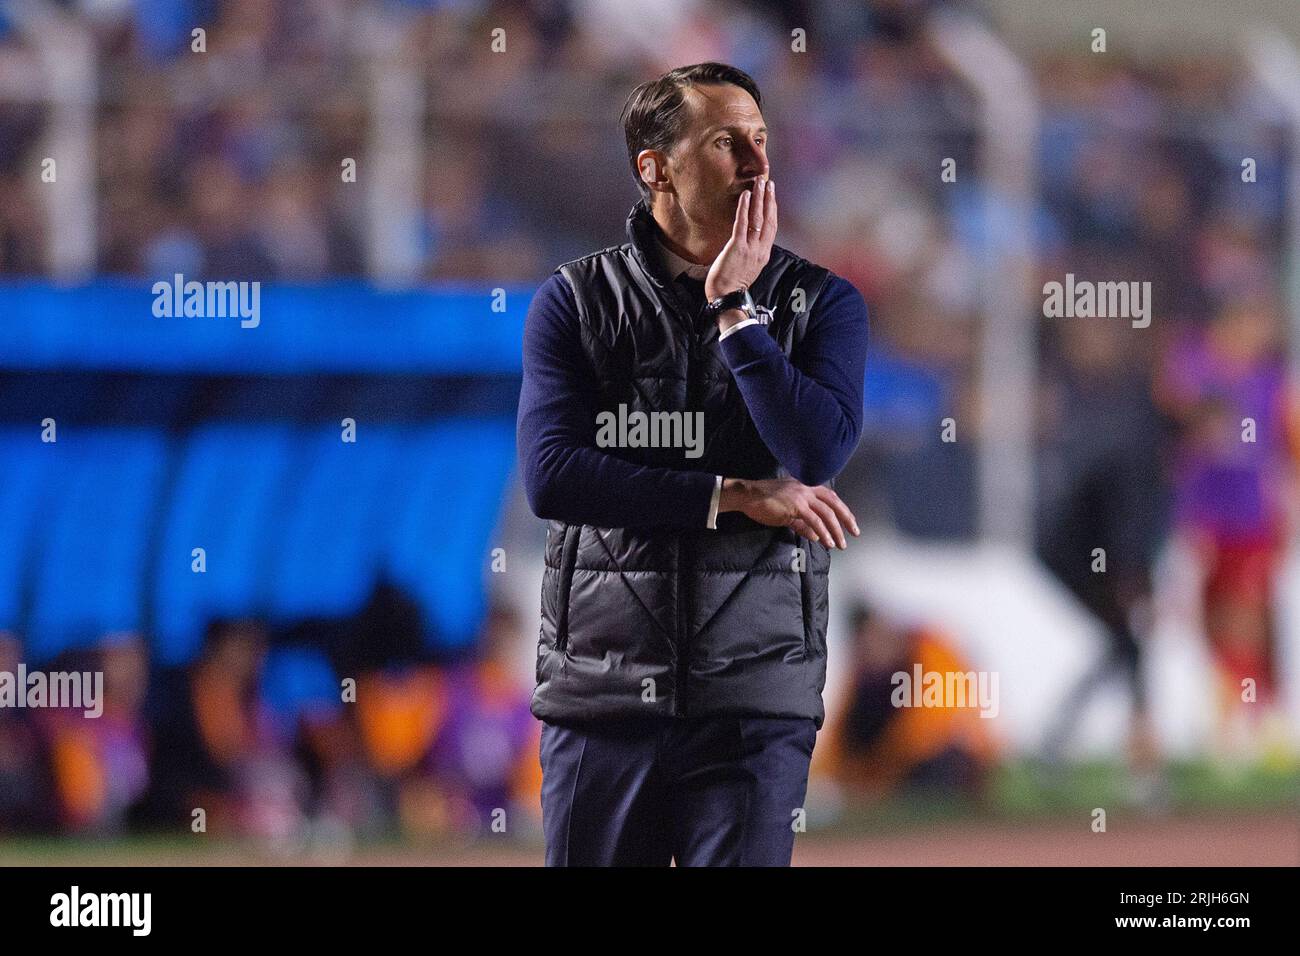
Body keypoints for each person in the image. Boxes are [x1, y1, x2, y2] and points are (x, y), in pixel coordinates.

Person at [517, 62, 869, 866]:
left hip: (755, 697)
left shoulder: (823, 303)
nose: (756, 162)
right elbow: (554, 476)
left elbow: (816, 450)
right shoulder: (575, 302)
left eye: (761, 139)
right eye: (726, 142)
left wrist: (737, 316)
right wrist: (733, 494)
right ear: (656, 167)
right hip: (602, 695)